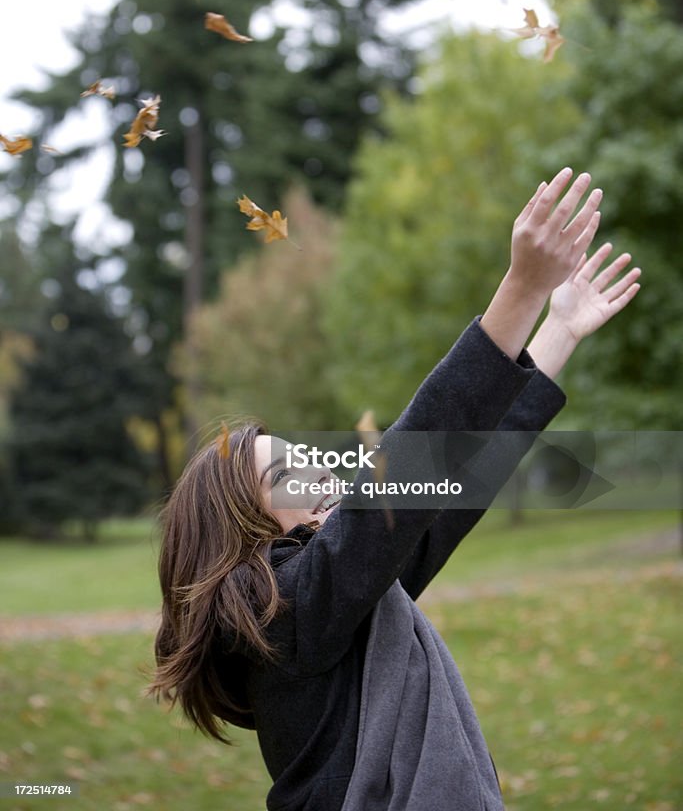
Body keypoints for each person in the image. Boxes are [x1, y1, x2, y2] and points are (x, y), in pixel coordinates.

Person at [146, 168, 641, 811]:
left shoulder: (345, 602)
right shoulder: (286, 609)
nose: (321, 472)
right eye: (285, 473)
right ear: (244, 524)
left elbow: (458, 482)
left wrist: (559, 330)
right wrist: (520, 288)